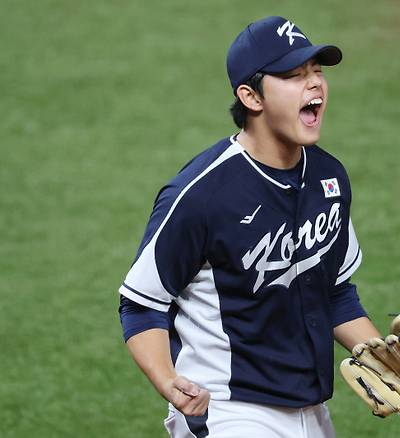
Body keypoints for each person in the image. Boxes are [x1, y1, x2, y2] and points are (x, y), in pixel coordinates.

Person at [118, 16, 380, 438]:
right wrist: (168, 381)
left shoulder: (329, 179)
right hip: (227, 407)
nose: (314, 84)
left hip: (309, 408)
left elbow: (334, 293)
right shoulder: (201, 194)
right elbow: (141, 303)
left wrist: (376, 355)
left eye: (316, 72)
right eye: (295, 76)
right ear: (250, 96)